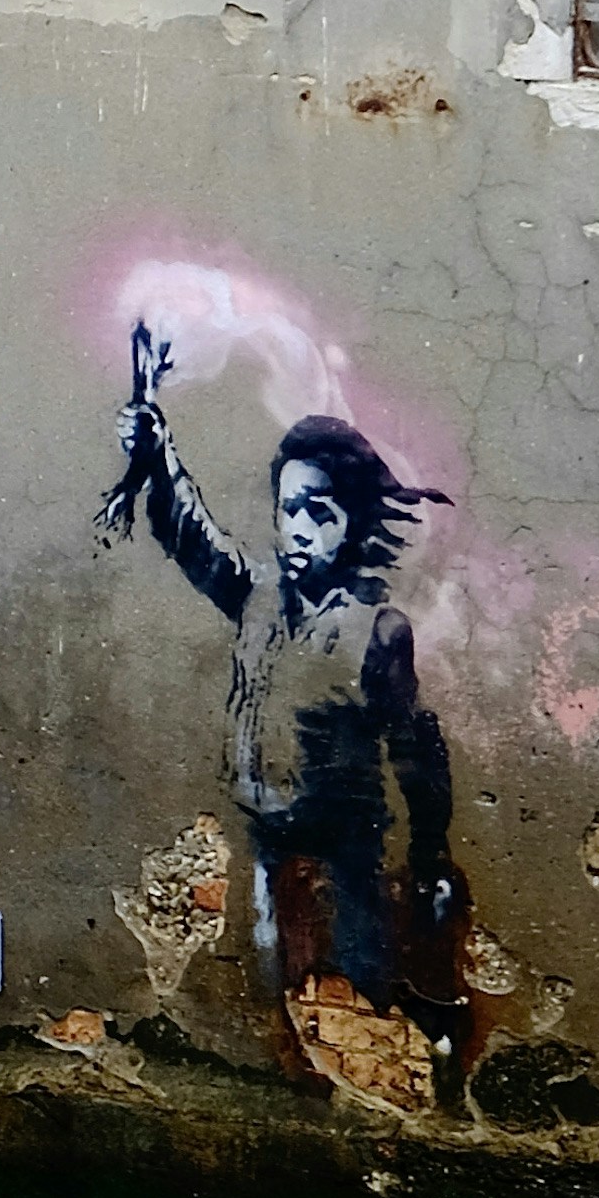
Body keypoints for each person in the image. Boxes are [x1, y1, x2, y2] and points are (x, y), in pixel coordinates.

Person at [98, 324, 467, 1063]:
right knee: (275, 976)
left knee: (358, 980)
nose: (299, 527)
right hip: (267, 833)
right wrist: (156, 453)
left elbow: (415, 743)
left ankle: (361, 1077)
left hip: (347, 846)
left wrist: (430, 846)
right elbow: (193, 538)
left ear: (354, 522)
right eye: (288, 507)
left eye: (320, 512)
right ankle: (292, 1068)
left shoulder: (376, 629)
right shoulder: (258, 596)